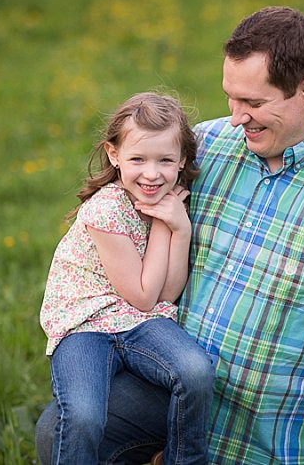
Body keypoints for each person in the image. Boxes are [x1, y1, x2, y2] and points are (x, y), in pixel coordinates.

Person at [36, 7, 304, 464]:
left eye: (255, 104)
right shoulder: (208, 146)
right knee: (57, 430)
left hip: (271, 427)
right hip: (176, 387)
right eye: (231, 99)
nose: (237, 118)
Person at [38, 92, 214, 465]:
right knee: (83, 414)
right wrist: (166, 226)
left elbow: (167, 293)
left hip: (140, 322)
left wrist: (178, 228)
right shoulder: (104, 211)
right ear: (114, 155)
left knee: (196, 372)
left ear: (182, 160)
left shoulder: (165, 203)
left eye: (165, 160)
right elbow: (144, 295)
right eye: (138, 159)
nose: (152, 174)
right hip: (86, 325)